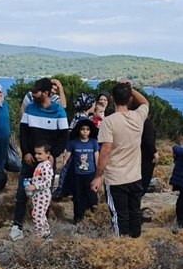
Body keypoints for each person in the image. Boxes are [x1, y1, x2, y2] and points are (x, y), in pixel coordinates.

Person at [10, 78, 69, 240]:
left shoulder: (59, 111)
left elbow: (64, 137)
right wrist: (26, 153)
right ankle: (17, 225)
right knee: (23, 192)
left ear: (47, 93)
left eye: (37, 91)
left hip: (47, 162)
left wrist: (52, 155)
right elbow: (23, 133)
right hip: (29, 159)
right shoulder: (30, 109)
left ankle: (43, 229)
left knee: (44, 194)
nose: (33, 94)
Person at [91, 81, 150, 238]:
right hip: (135, 176)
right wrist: (131, 88)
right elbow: (144, 102)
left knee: (119, 216)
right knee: (135, 213)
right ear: (130, 99)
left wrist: (98, 176)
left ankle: (121, 248)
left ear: (113, 100)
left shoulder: (109, 121)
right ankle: (135, 246)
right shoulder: (138, 117)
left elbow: (105, 150)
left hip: (116, 178)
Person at [60, 118, 99, 224]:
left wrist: (99, 174)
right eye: (82, 129)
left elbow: (97, 158)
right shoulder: (73, 143)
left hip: (90, 174)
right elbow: (66, 158)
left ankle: (92, 216)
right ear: (79, 130)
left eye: (87, 129)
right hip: (77, 175)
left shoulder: (94, 143)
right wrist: (62, 166)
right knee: (77, 196)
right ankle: (78, 217)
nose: (85, 131)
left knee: (91, 196)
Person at [26, 143, 55, 239]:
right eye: (36, 153)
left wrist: (35, 186)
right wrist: (31, 181)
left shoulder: (46, 166)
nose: (36, 156)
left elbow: (47, 183)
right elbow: (39, 178)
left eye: (40, 154)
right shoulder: (41, 165)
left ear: (47, 154)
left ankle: (40, 235)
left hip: (43, 194)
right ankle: (46, 234)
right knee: (40, 214)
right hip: (37, 195)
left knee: (37, 215)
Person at [139, 114, 158, 193]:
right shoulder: (147, 123)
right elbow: (148, 141)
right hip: (146, 157)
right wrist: (155, 152)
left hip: (134, 156)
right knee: (143, 183)